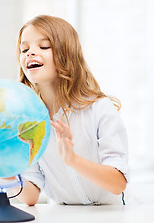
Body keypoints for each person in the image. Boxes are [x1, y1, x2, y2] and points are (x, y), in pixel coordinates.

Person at [13, 15, 129, 206]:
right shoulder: (28, 123)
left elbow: (117, 184)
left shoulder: (99, 109)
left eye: (44, 46)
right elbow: (30, 197)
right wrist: (7, 174)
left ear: (66, 54)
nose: (30, 53)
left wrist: (72, 159)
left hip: (112, 215)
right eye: (24, 49)